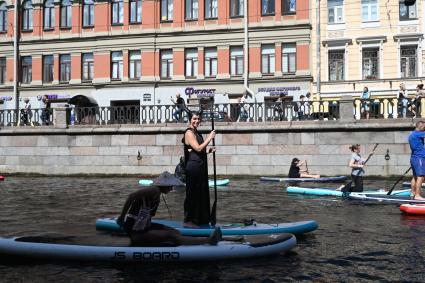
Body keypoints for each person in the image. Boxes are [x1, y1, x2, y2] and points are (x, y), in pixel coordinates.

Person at [117, 171, 222, 246]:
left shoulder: (157, 192)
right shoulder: (154, 190)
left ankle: (191, 240)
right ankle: (209, 240)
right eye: (170, 186)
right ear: (164, 185)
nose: (172, 188)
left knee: (174, 232)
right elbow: (131, 196)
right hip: (136, 232)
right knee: (172, 236)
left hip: (144, 227)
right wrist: (121, 217)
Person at [182, 111, 216, 228]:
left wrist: (208, 151)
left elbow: (200, 150)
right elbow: (197, 147)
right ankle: (189, 220)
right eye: (194, 119)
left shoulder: (197, 133)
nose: (196, 121)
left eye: (198, 119)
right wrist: (210, 138)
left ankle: (201, 219)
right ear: (190, 119)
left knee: (201, 192)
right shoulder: (189, 133)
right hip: (193, 167)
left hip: (200, 165)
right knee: (193, 193)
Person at [408, 121, 425, 200]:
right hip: (419, 158)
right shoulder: (419, 134)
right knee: (421, 176)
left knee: (415, 176)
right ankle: (417, 195)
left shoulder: (411, 134)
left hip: (414, 158)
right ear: (421, 127)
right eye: (424, 128)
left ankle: (413, 193)